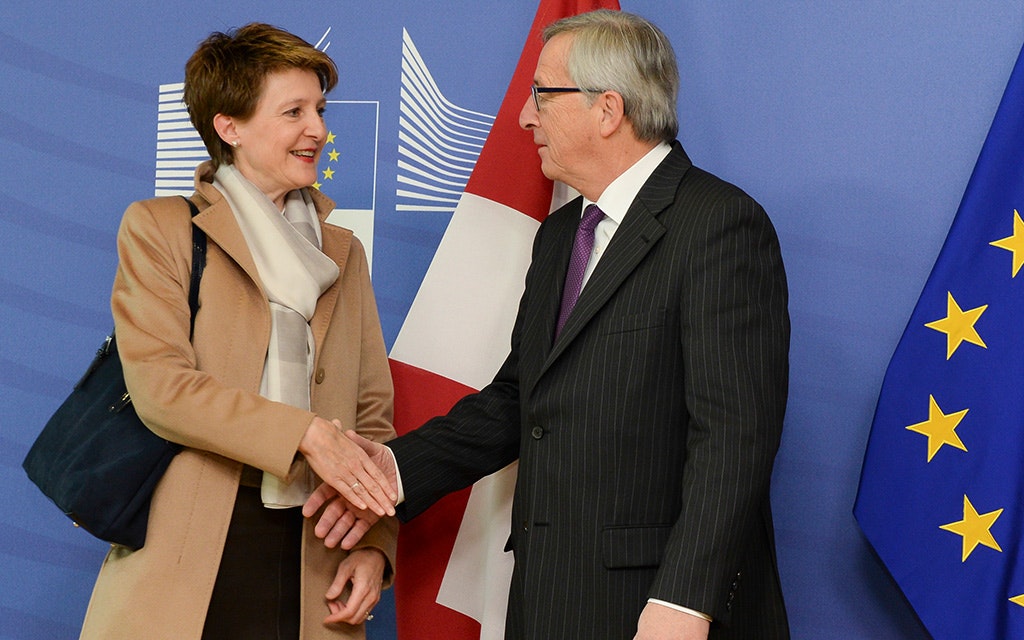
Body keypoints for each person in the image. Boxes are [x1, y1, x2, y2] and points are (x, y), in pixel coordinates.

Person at [307, 9, 790, 640]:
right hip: (550, 600)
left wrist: (685, 600)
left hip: (661, 609)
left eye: (543, 95)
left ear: (608, 109)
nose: (523, 117)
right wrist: (393, 472)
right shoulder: (563, 234)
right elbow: (521, 400)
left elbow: (735, 437)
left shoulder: (719, 226)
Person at [78, 23, 398, 640]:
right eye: (294, 112)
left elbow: (372, 416)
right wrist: (304, 434)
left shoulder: (345, 252)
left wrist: (376, 544)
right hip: (187, 555)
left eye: (320, 110)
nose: (319, 130)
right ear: (230, 127)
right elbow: (162, 389)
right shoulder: (162, 229)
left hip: (317, 559)